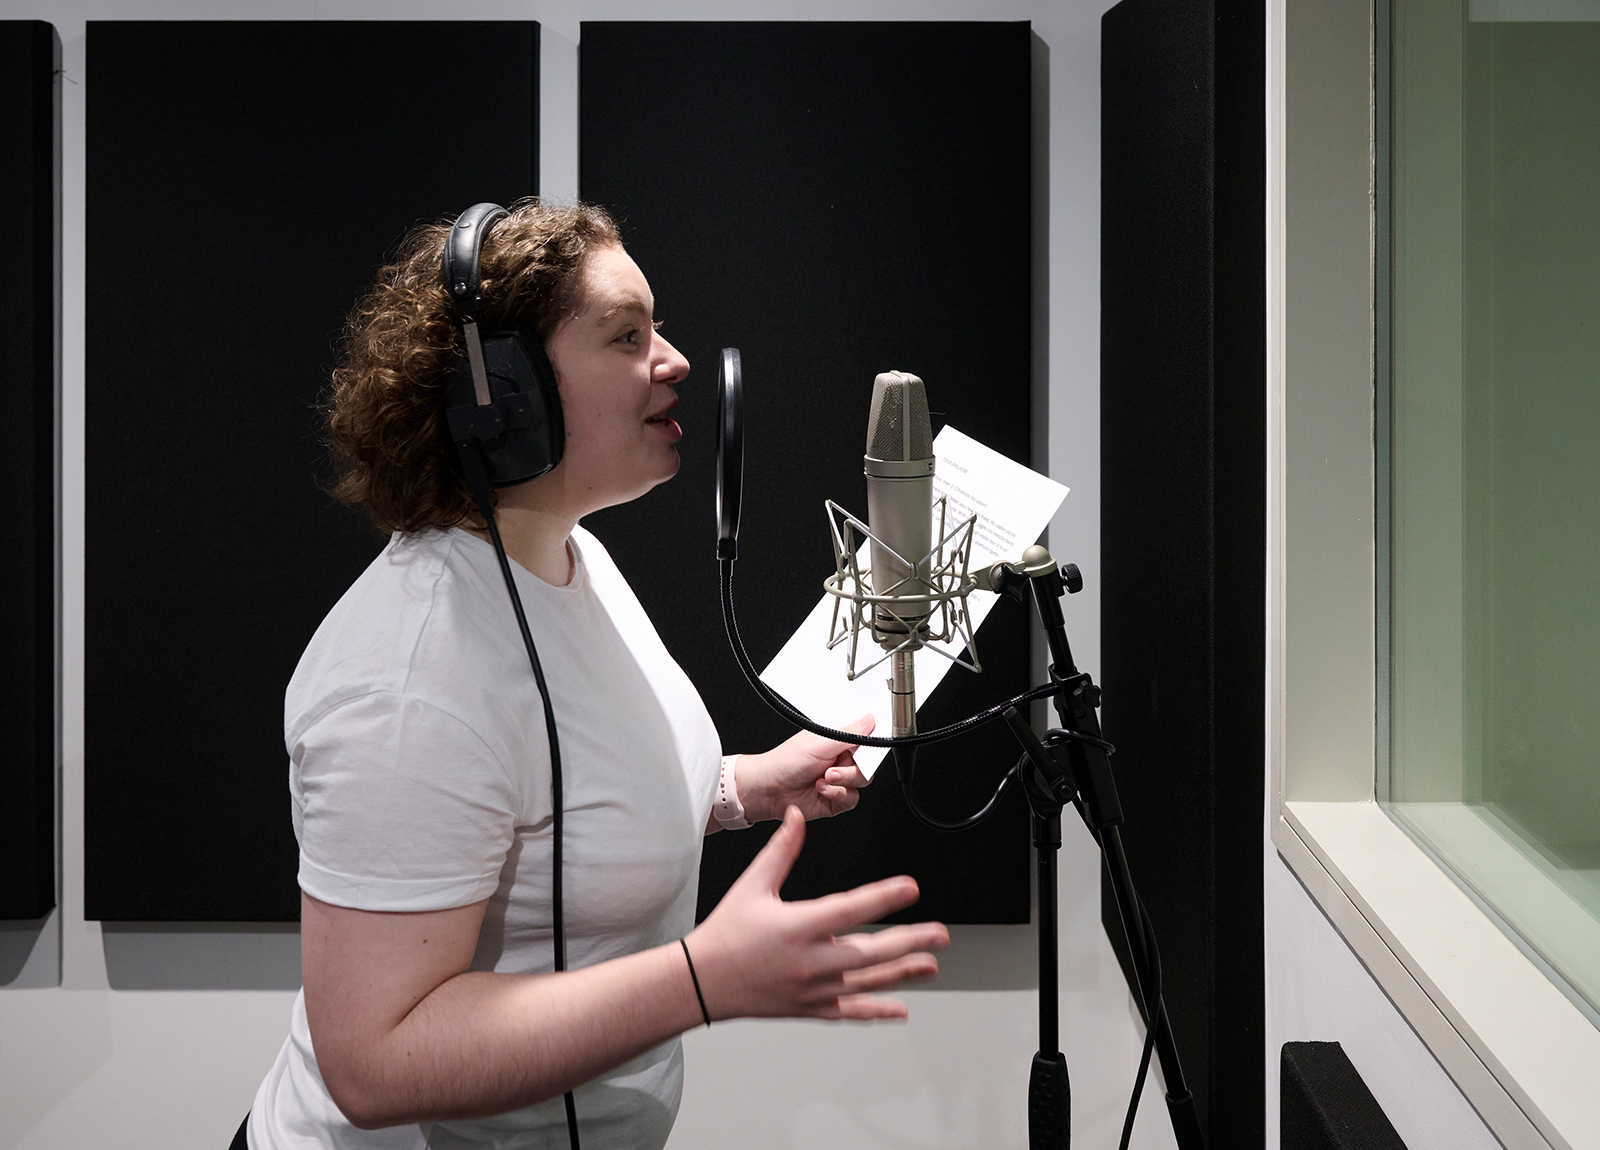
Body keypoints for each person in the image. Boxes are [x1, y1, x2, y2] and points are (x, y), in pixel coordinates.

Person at [242, 200, 949, 1150]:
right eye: (627, 335)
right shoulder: (405, 684)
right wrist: (700, 981)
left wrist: (742, 787)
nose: (676, 361)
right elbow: (374, 1062)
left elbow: (558, 813)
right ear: (504, 396)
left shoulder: (572, 558)